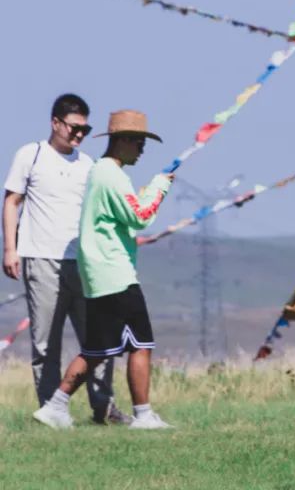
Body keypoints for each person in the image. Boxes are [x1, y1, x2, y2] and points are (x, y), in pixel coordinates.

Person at [32, 110, 173, 430]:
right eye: (138, 142)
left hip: (101, 275)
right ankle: (143, 415)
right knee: (141, 344)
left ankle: (55, 406)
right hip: (116, 275)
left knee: (97, 349)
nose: (142, 149)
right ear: (121, 141)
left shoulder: (102, 173)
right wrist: (159, 187)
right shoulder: (111, 175)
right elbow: (140, 215)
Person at [2, 94, 126, 424]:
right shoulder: (31, 155)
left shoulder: (88, 165)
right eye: (74, 128)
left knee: (97, 339)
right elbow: (12, 201)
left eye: (85, 130)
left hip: (84, 262)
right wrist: (10, 248)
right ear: (55, 123)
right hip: (40, 259)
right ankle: (51, 409)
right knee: (46, 342)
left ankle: (104, 406)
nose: (79, 135)